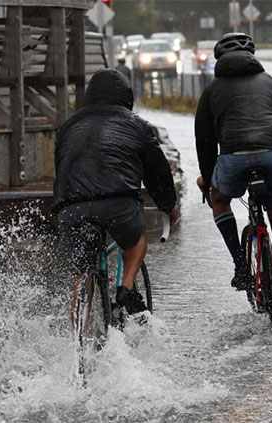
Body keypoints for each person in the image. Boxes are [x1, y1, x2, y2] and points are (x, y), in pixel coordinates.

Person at [194, 33, 272, 321]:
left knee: (220, 199)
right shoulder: (271, 83)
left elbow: (205, 141)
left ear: (220, 58)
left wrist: (207, 180)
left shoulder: (212, 90)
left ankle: (241, 267)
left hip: (233, 158)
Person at [53, 68, 179, 317]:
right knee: (136, 236)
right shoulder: (137, 126)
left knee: (80, 277)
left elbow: (62, 169)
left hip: (71, 207)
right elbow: (157, 173)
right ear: (127, 96)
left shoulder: (68, 127)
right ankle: (127, 287)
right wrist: (168, 205)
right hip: (118, 204)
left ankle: (81, 344)